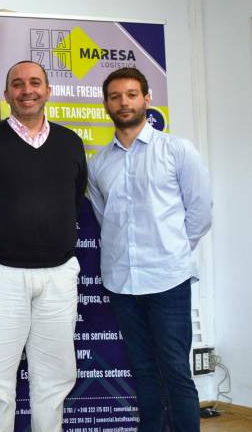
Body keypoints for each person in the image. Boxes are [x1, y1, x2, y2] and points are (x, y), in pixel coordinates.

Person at [88, 68, 211, 432]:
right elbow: (103, 217)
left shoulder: (176, 150)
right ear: (106, 104)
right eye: (115, 96)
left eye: (131, 94)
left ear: (146, 98)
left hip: (168, 280)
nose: (123, 102)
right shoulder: (99, 164)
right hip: (122, 283)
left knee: (175, 370)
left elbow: (200, 213)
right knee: (141, 370)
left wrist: (171, 250)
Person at [0, 60, 87, 432]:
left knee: (54, 380)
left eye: (35, 82)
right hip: (3, 275)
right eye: (17, 84)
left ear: (48, 90)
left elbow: (77, 195)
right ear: (7, 94)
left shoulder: (70, 143)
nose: (27, 90)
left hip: (58, 276)